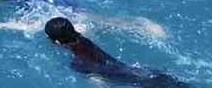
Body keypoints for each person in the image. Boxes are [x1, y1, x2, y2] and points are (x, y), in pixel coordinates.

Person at [43, 17, 190, 87]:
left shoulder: (78, 63)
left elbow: (99, 82)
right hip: (143, 72)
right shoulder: (83, 39)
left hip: (140, 83)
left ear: (57, 42)